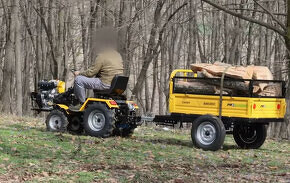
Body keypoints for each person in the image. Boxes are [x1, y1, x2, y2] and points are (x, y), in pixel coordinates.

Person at [71, 28, 124, 110]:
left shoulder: (102, 56)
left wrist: (79, 73)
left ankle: (81, 104)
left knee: (79, 80)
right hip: (117, 85)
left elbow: (91, 73)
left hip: (105, 84)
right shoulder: (118, 55)